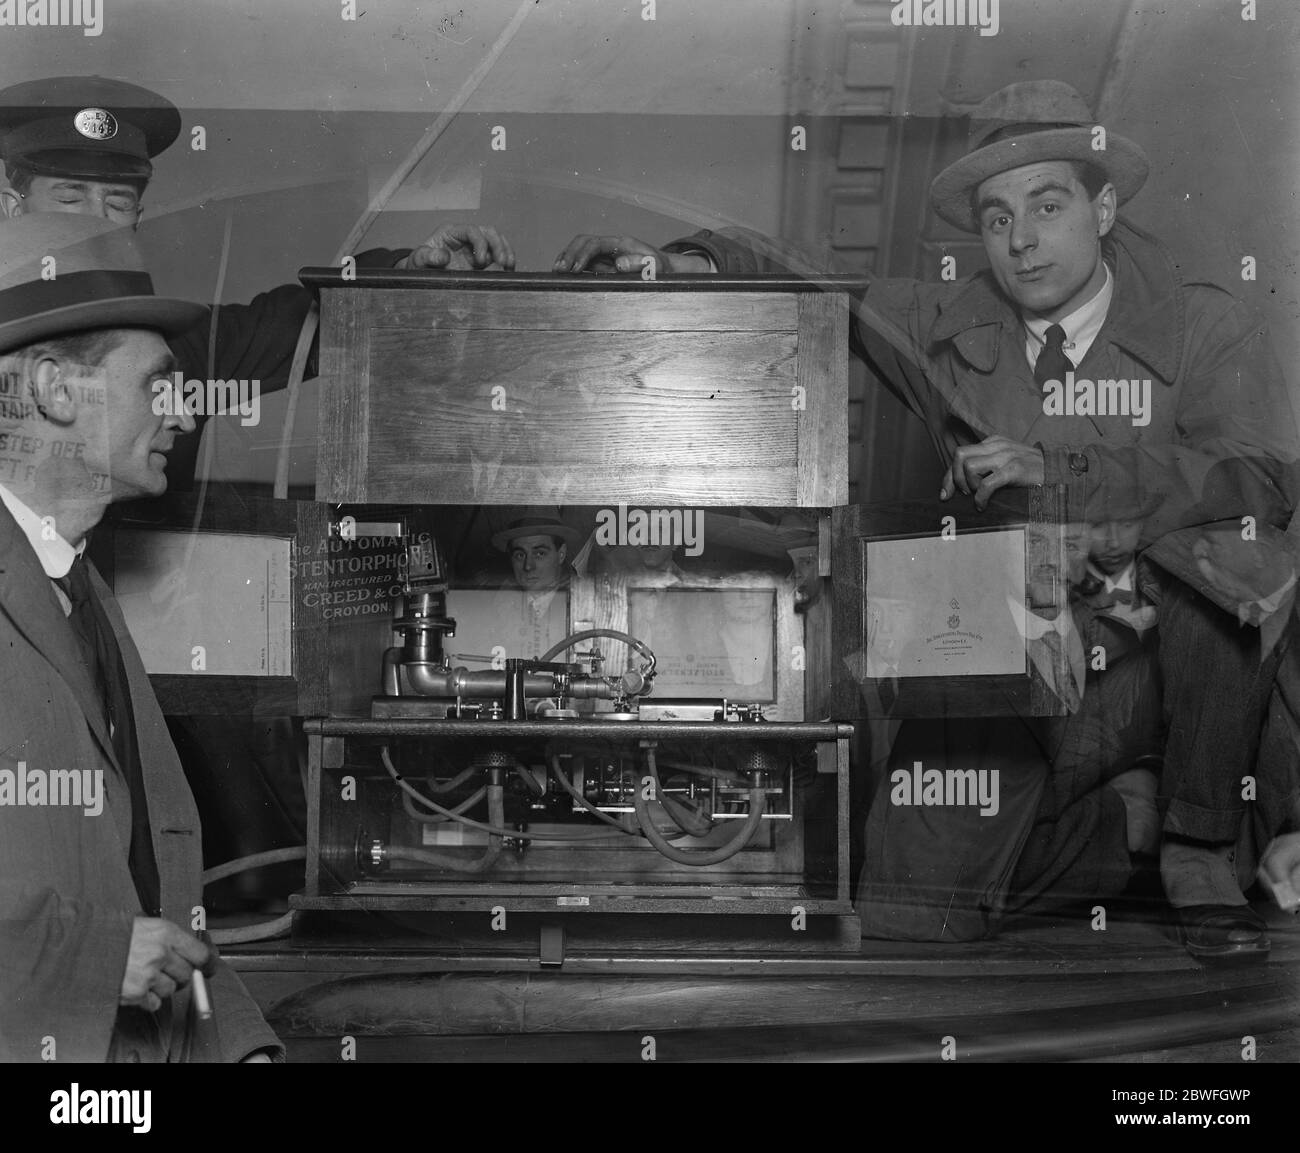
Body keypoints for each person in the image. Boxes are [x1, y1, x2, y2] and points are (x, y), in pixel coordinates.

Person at [554, 80, 1300, 957]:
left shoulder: (1206, 324)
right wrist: (688, 260)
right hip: (1029, 661)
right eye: (995, 217)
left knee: (1230, 554)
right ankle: (1125, 825)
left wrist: (1063, 475)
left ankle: (1198, 839)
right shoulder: (945, 325)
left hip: (1183, 682)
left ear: (1102, 208)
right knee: (915, 904)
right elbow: (824, 283)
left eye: (1048, 205)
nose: (1019, 240)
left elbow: (1261, 480)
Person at [0, 213, 281, 1061]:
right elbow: (117, 949)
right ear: (55, 389)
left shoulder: (81, 591)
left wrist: (243, 1047)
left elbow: (155, 896)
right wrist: (89, 957)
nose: (183, 415)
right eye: (157, 384)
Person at [0, 75, 516, 490]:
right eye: (68, 200)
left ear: (139, 216)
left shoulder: (181, 351)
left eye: (117, 204)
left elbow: (296, 325)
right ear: (11, 210)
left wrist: (409, 275)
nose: (96, 226)